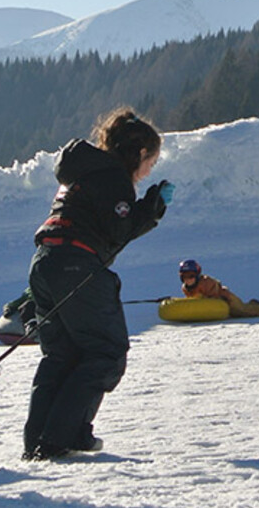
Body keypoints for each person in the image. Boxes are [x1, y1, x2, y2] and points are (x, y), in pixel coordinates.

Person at [22, 107, 172, 461]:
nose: (150, 169)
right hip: (78, 266)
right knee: (106, 352)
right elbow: (117, 234)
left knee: (61, 354)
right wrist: (151, 210)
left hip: (45, 263)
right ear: (138, 154)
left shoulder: (81, 172)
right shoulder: (113, 177)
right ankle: (63, 437)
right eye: (151, 160)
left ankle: (39, 440)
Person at [178, 259, 259, 318]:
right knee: (243, 310)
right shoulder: (185, 288)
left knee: (246, 312)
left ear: (196, 275)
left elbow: (213, 297)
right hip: (217, 307)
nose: (188, 280)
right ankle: (253, 303)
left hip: (228, 300)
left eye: (191, 276)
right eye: (184, 277)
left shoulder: (206, 282)